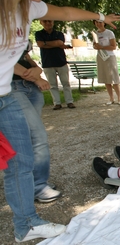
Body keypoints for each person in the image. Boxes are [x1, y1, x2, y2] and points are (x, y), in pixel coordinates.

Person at [1, 0, 120, 242]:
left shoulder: (27, 7)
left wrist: (101, 18)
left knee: (21, 162)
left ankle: (26, 225)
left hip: (7, 95)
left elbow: (65, 13)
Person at [12, 40, 62, 203]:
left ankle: (32, 182)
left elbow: (25, 57)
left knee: (29, 137)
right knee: (38, 137)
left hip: (29, 86)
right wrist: (36, 77)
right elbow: (6, 62)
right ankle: (37, 186)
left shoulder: (19, 26)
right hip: (12, 87)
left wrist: (37, 70)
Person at [35, 20, 75, 110]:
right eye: (45, 22)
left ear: (53, 22)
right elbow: (40, 44)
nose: (48, 23)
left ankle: (69, 101)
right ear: (41, 23)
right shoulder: (38, 33)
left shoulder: (59, 33)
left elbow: (60, 43)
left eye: (50, 21)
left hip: (61, 61)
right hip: (47, 62)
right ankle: (57, 103)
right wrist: (54, 44)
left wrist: (46, 43)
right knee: (52, 85)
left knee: (66, 83)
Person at [92, 20, 120, 105]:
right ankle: (111, 98)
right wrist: (96, 46)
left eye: (100, 22)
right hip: (101, 56)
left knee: (114, 78)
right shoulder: (95, 33)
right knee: (106, 78)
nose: (98, 24)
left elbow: (113, 46)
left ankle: (119, 98)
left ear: (104, 23)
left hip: (110, 56)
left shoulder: (109, 33)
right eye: (96, 22)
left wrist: (102, 47)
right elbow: (94, 45)